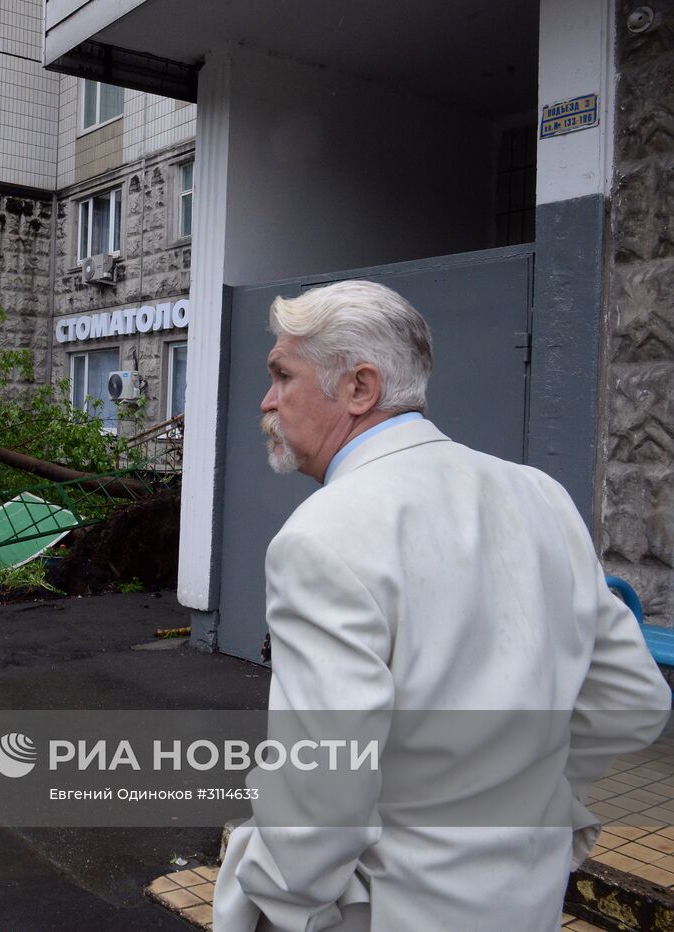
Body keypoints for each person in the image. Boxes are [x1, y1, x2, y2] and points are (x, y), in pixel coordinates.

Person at [210, 280, 671, 932]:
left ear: (360, 388)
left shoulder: (322, 535)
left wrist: (272, 901)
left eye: (283, 375)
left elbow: (323, 794)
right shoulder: (541, 495)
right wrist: (548, 806)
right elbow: (634, 697)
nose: (267, 400)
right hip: (531, 897)